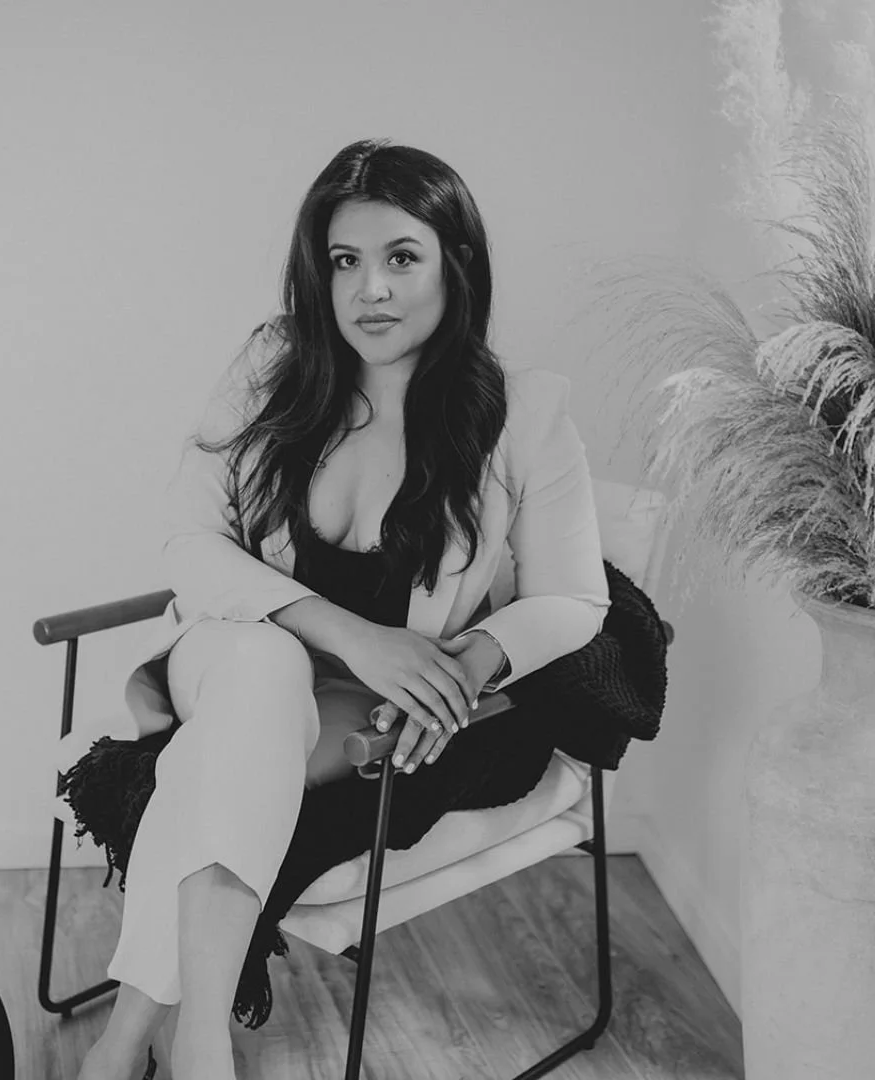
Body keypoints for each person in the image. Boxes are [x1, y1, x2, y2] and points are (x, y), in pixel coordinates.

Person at [75, 140, 610, 1080]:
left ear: (457, 263)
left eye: (402, 257)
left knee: (217, 771)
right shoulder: (276, 365)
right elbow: (189, 543)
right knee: (262, 668)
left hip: (346, 714)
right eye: (344, 261)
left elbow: (576, 596)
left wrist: (478, 654)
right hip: (231, 655)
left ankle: (128, 1043)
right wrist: (354, 635)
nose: (371, 290)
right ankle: (203, 1048)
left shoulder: (523, 414)